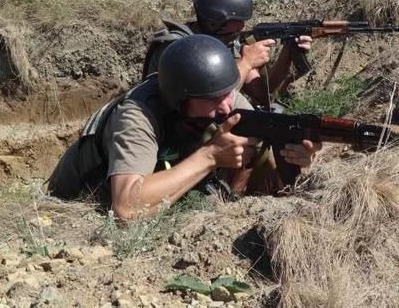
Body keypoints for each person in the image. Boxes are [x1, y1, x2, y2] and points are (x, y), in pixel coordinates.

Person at [47, 35, 321, 220]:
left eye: (229, 92)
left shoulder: (226, 99)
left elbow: (264, 164)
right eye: (213, 99)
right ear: (180, 99)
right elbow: (126, 208)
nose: (227, 106)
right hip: (79, 194)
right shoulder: (138, 115)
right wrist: (210, 156)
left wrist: (293, 157)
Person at [142, 0, 312, 105]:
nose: (242, 26)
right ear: (214, 21)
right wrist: (246, 63)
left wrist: (286, 54)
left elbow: (263, 94)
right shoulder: (177, 48)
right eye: (236, 21)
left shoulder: (226, 42)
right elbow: (210, 102)